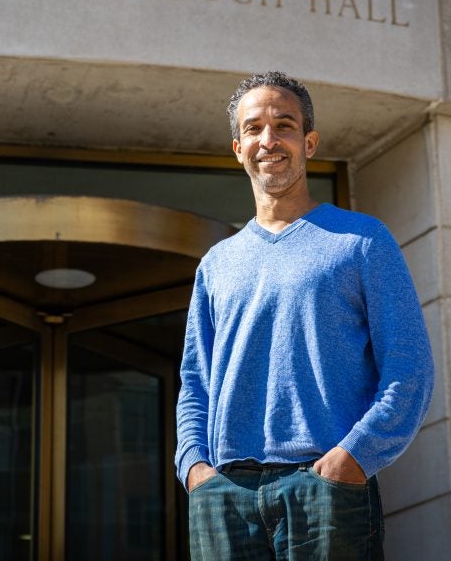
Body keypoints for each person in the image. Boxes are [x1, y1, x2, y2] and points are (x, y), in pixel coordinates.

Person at [174, 71, 434, 559]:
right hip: (224, 494)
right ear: (237, 148)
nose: (268, 140)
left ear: (309, 142)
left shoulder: (362, 240)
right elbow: (196, 384)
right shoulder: (216, 264)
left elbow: (409, 369)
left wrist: (352, 460)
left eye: (284, 125)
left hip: (326, 489)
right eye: (253, 128)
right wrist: (195, 469)